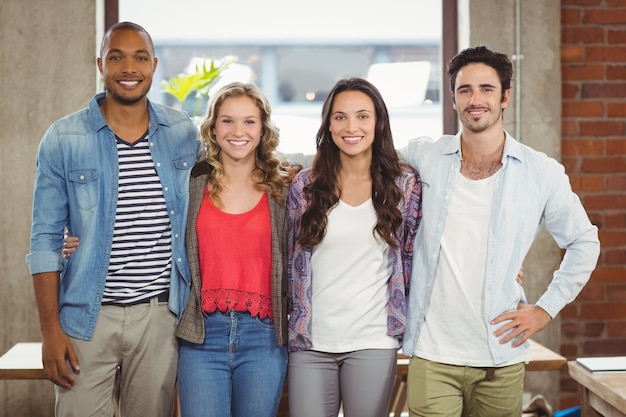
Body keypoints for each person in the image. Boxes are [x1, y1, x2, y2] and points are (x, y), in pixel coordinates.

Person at [399, 45, 600, 416]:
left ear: (505, 96)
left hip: (499, 356)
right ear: (454, 98)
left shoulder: (541, 172)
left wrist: (544, 310)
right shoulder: (423, 155)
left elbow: (584, 241)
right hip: (432, 351)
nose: (475, 99)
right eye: (465, 90)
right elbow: (358, 162)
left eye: (486, 89)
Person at [25, 22, 199, 417]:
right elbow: (44, 241)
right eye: (116, 56)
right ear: (101, 63)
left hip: (160, 317)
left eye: (140, 57)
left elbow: (223, 187)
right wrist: (50, 332)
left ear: (153, 65)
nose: (128, 67)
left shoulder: (182, 132)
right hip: (87, 316)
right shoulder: (63, 138)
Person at [287, 77, 422, 417]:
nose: (351, 127)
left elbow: (417, 254)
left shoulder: (404, 185)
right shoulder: (305, 185)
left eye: (362, 116)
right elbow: (288, 258)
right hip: (310, 341)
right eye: (340, 116)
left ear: (378, 123)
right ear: (328, 125)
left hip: (374, 340)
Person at [175, 82, 289, 417]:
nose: (238, 131)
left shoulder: (284, 190)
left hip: (264, 337)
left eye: (249, 121)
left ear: (263, 129)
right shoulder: (191, 183)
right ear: (212, 127)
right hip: (201, 335)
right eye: (227, 121)